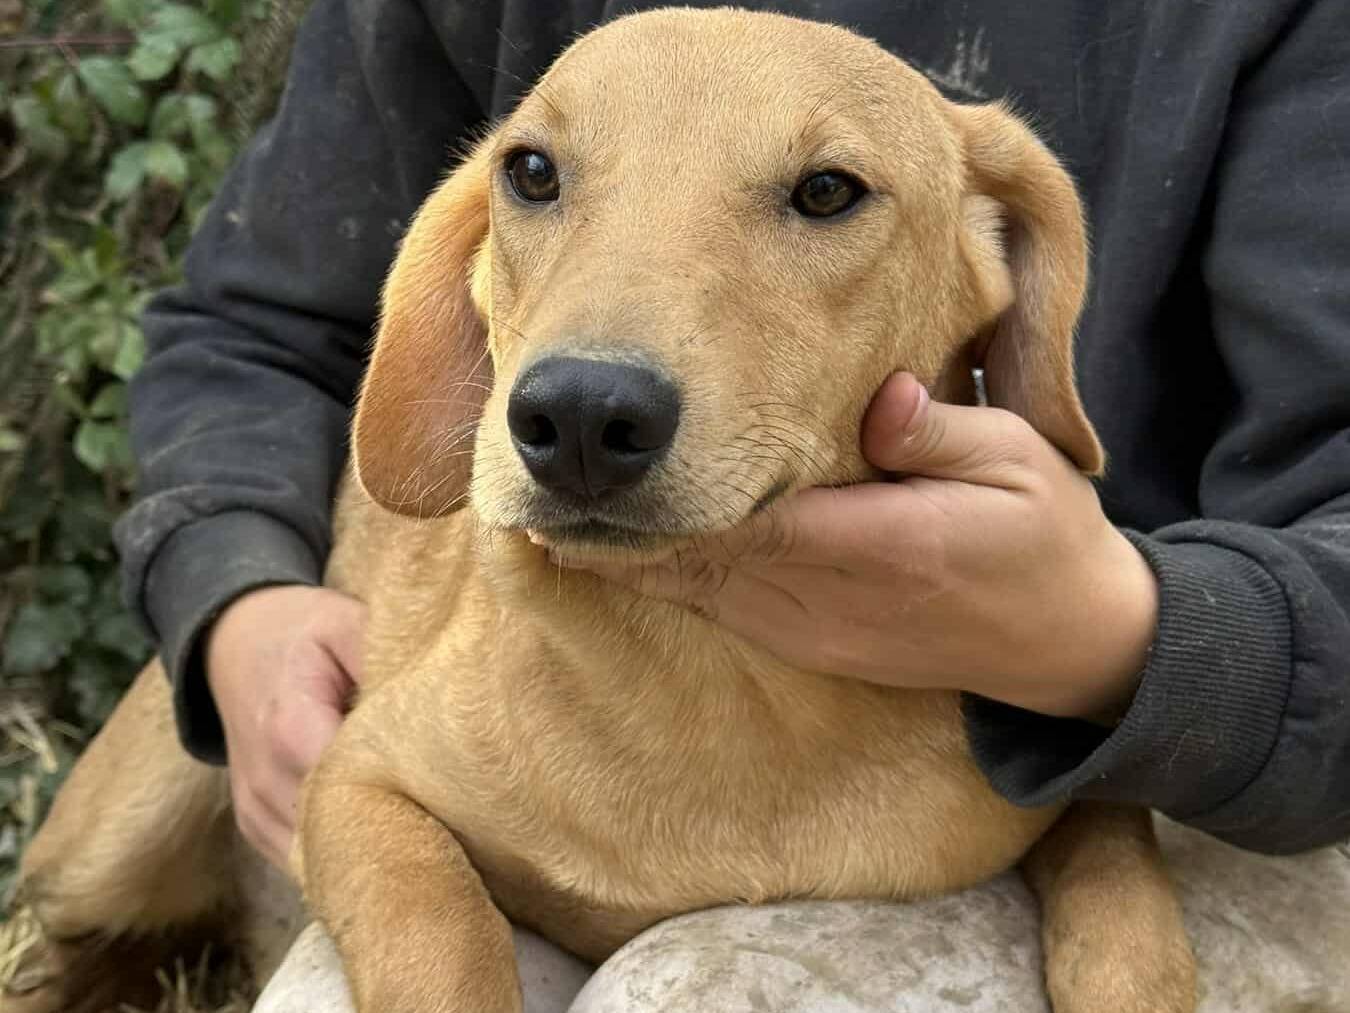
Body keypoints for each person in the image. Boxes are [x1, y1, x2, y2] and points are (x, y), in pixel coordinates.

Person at [118, 0, 1349, 918]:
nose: (591, 390)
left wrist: (1111, 637)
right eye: (538, 177)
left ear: (1007, 276)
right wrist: (234, 590)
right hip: (497, 770)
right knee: (94, 885)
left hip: (1194, 765)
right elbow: (255, 326)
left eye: (821, 194)